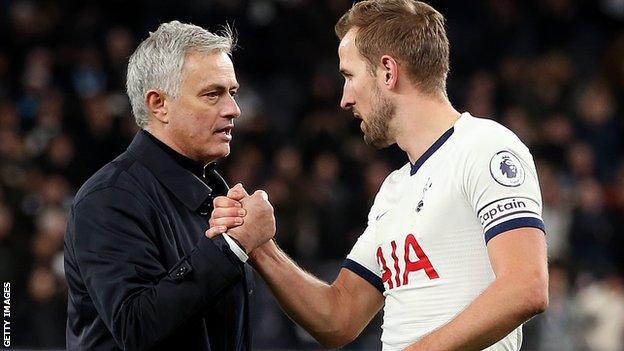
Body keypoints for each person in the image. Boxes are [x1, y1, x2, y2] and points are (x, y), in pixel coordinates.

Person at [208, 1, 548, 350]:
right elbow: (338, 318)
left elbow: (525, 287)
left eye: (349, 76)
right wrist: (260, 245)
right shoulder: (394, 190)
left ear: (388, 71)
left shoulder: (485, 147)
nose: (344, 99)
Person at [64, 21, 275, 351]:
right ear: (158, 104)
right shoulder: (109, 199)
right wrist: (232, 246)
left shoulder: (217, 193)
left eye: (232, 93)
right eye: (212, 94)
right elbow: (135, 326)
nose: (234, 109)